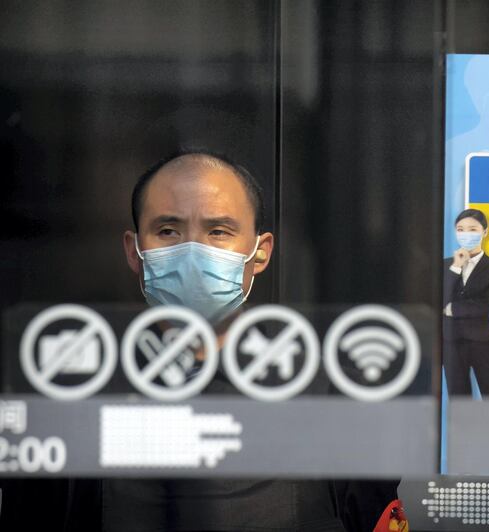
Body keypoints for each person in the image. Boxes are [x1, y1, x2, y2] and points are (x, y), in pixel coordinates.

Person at [104, 149, 399, 531]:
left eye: (219, 231)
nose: (194, 253)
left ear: (260, 253)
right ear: (134, 250)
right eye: (168, 231)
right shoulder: (81, 397)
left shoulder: (334, 399)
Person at [443, 208, 489, 397]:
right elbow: (440, 296)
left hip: (482, 341)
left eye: (472, 229)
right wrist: (455, 267)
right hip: (451, 342)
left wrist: (452, 308)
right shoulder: (446, 265)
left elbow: (488, 305)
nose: (466, 234)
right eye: (460, 229)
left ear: (484, 232)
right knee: (458, 397)